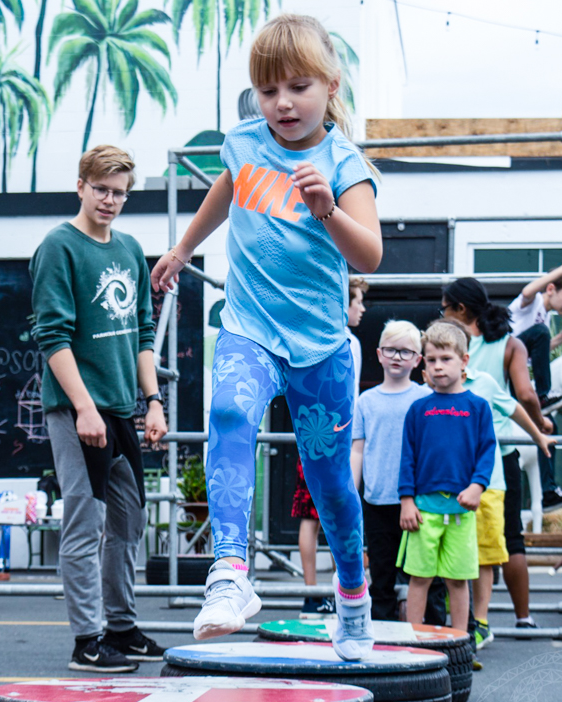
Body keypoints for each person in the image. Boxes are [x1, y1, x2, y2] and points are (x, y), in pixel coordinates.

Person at [151, 14, 383, 660]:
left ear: (331, 86)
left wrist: (328, 211)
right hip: (250, 328)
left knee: (330, 482)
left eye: (298, 87)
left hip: (319, 351)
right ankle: (230, 573)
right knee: (228, 412)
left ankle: (354, 594)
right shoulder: (246, 143)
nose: (282, 102)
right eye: (268, 89)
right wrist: (183, 246)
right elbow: (228, 191)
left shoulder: (343, 164)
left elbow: (370, 257)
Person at [30, 144, 169, 673]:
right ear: (82, 186)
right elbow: (52, 335)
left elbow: (141, 331)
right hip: (77, 410)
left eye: (121, 193)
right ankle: (86, 640)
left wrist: (153, 400)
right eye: (103, 190)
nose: (111, 201)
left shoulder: (130, 249)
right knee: (84, 523)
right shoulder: (58, 247)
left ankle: (120, 626)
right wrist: (83, 407)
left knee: (130, 520)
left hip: (122, 407)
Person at [443, 277, 552, 631]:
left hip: (458, 456)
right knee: (509, 536)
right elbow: (526, 394)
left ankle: (463, 618)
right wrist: (542, 426)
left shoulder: (449, 344)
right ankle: (521, 616)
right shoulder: (509, 344)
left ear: (460, 309)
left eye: (445, 308)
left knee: (455, 534)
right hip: (499, 453)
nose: (442, 314)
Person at [398, 320, 495, 635]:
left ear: (464, 360)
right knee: (419, 578)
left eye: (446, 359)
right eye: (431, 359)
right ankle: (413, 641)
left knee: (457, 579)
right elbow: (407, 457)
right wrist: (407, 501)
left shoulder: (478, 408)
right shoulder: (418, 410)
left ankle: (459, 642)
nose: (438, 367)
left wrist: (477, 487)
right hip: (423, 512)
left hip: (461, 512)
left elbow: (486, 452)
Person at [296, 275, 368, 618]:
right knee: (332, 510)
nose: (362, 309)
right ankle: (330, 591)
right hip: (334, 434)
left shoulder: (310, 336)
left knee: (314, 516)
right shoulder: (346, 342)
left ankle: (315, 592)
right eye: (357, 302)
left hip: (313, 429)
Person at [352, 320, 431, 622]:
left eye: (405, 351)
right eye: (391, 350)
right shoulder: (366, 401)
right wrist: (351, 492)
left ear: (417, 359)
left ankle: (430, 635)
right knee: (381, 574)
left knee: (424, 575)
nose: (397, 357)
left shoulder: (425, 399)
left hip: (419, 501)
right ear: (379, 354)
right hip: (377, 500)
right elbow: (357, 449)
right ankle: (383, 638)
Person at [508, 256, 562, 512]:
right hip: (504, 363)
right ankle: (543, 394)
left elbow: (532, 352)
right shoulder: (534, 303)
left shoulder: (544, 322)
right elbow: (528, 290)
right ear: (551, 289)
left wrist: (560, 338)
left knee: (547, 426)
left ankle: (549, 491)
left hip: (517, 369)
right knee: (540, 333)